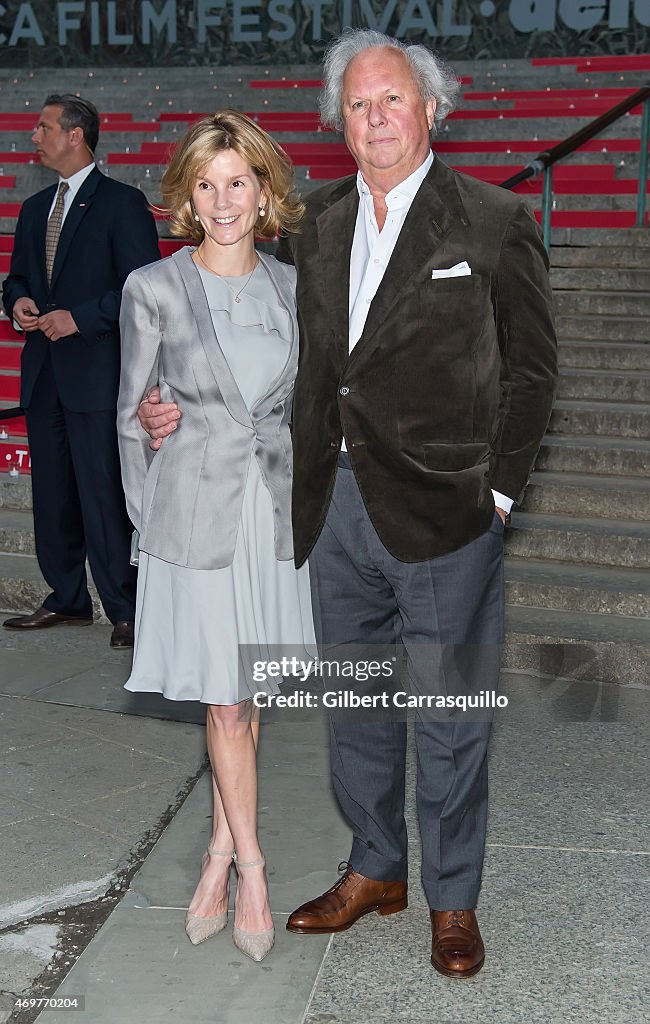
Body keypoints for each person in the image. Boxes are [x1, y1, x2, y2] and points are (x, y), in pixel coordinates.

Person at [137, 30, 558, 977]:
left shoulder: (492, 221)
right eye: (358, 104)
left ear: (431, 109)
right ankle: (376, 868)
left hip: (447, 514)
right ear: (340, 120)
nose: (375, 118)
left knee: (452, 713)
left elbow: (533, 373)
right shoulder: (314, 223)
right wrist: (170, 407)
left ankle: (453, 900)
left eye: (393, 100)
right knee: (357, 710)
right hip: (329, 513)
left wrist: (496, 493)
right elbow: (258, 351)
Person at [116, 110, 313, 963]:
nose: (223, 199)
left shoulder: (294, 288)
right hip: (193, 523)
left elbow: (308, 408)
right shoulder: (152, 288)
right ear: (186, 196)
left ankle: (218, 850)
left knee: (249, 695)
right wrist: (145, 518)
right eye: (207, 183)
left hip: (271, 521)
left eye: (238, 181)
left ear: (263, 189)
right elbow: (132, 414)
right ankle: (256, 872)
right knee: (226, 701)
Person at [2, 94, 160, 648]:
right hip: (44, 375)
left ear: (76, 136)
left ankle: (126, 608)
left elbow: (143, 288)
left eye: (43, 127)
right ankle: (65, 597)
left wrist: (83, 318)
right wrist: (17, 303)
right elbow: (17, 279)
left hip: (97, 374)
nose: (34, 136)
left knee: (102, 493)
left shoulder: (122, 204)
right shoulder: (32, 208)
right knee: (52, 494)